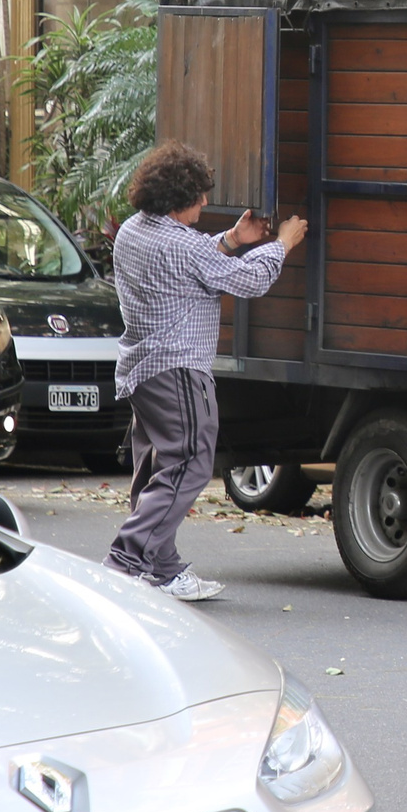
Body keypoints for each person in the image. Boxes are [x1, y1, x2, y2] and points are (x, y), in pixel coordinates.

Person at [107, 142, 306, 600]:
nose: (205, 203)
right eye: (199, 196)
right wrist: (280, 245)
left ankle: (161, 569)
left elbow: (199, 258)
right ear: (179, 198)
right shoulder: (182, 246)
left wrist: (234, 239)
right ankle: (125, 563)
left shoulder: (135, 232)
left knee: (157, 469)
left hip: (142, 367)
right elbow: (248, 280)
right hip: (179, 369)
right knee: (189, 466)